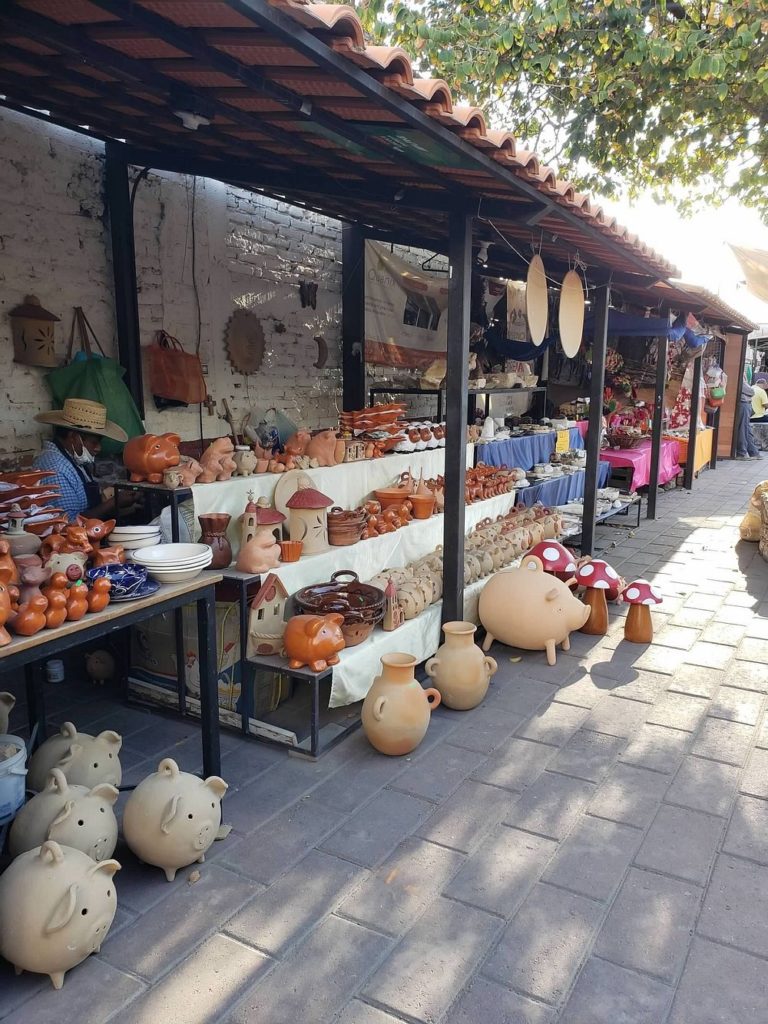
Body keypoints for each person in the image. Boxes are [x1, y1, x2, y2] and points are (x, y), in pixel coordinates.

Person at [32, 397, 132, 521]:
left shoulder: (74, 458)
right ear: (73, 437)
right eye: (94, 442)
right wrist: (114, 502)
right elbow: (69, 522)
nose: (98, 448)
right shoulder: (55, 468)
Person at [736, 375, 762, 460]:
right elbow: (750, 391)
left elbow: (750, 391)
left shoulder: (741, 375)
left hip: (745, 404)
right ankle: (748, 452)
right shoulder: (739, 375)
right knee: (744, 429)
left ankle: (749, 452)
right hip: (744, 404)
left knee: (745, 429)